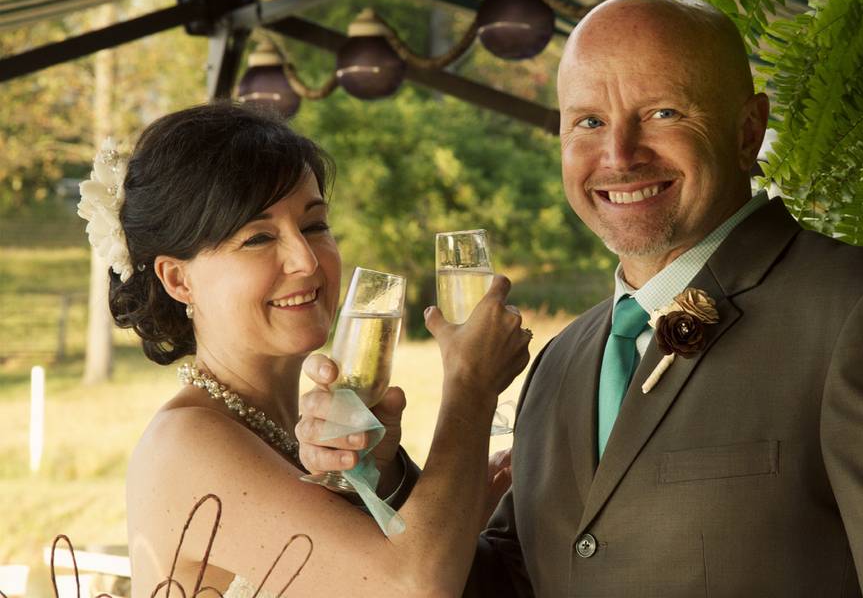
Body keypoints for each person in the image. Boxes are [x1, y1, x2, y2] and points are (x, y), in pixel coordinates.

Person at [299, 0, 863, 596]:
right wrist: (382, 471)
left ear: (748, 130)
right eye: (587, 121)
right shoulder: (559, 364)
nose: (619, 153)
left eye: (662, 112)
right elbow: (511, 580)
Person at [78, 103, 531, 598]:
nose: (306, 259)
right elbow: (412, 587)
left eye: (314, 226)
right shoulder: (185, 443)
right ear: (178, 278)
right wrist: (471, 387)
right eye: (258, 238)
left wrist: (402, 483)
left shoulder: (291, 434)